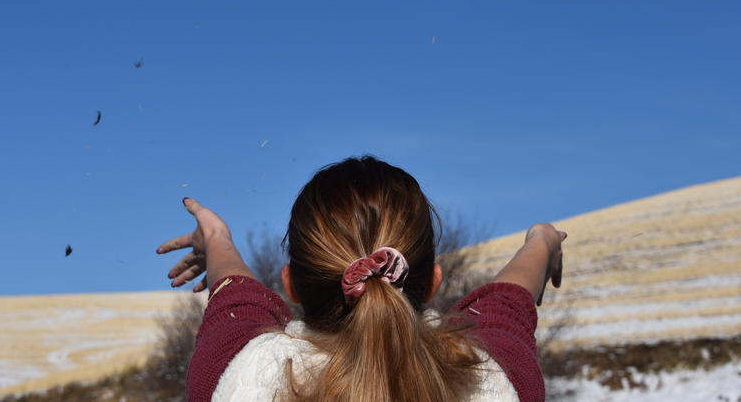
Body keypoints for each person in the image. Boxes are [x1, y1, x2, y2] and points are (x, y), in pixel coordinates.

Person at [156, 156, 565, 402]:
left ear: (290, 284)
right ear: (433, 281)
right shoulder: (496, 378)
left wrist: (216, 238)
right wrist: (541, 240)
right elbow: (506, 305)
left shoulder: (236, 371)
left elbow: (238, 300)